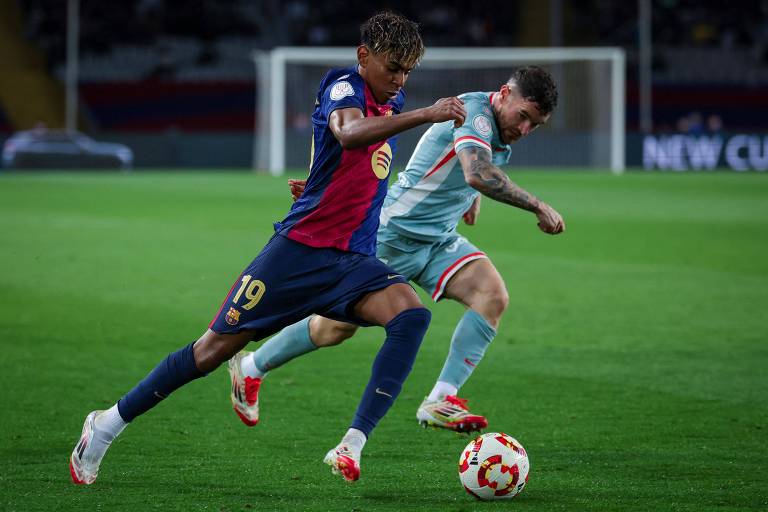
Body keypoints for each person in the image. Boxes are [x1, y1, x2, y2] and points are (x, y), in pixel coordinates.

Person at [69, 11, 466, 485]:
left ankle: (352, 443)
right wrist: (426, 114)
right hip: (297, 254)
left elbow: (341, 154)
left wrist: (319, 184)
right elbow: (346, 132)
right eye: (391, 68)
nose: (399, 79)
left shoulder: (391, 97)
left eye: (406, 71)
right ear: (364, 57)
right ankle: (106, 424)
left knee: (411, 315)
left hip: (351, 259)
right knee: (211, 352)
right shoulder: (344, 84)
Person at [232, 66, 564, 436]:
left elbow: (467, 173)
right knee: (335, 328)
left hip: (437, 239)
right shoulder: (475, 114)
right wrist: (537, 205)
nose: (525, 130)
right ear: (504, 93)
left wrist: (467, 199)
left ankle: (440, 399)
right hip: (392, 234)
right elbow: (476, 172)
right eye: (523, 117)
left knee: (492, 295)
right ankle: (251, 367)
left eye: (534, 124)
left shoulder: (498, 129)